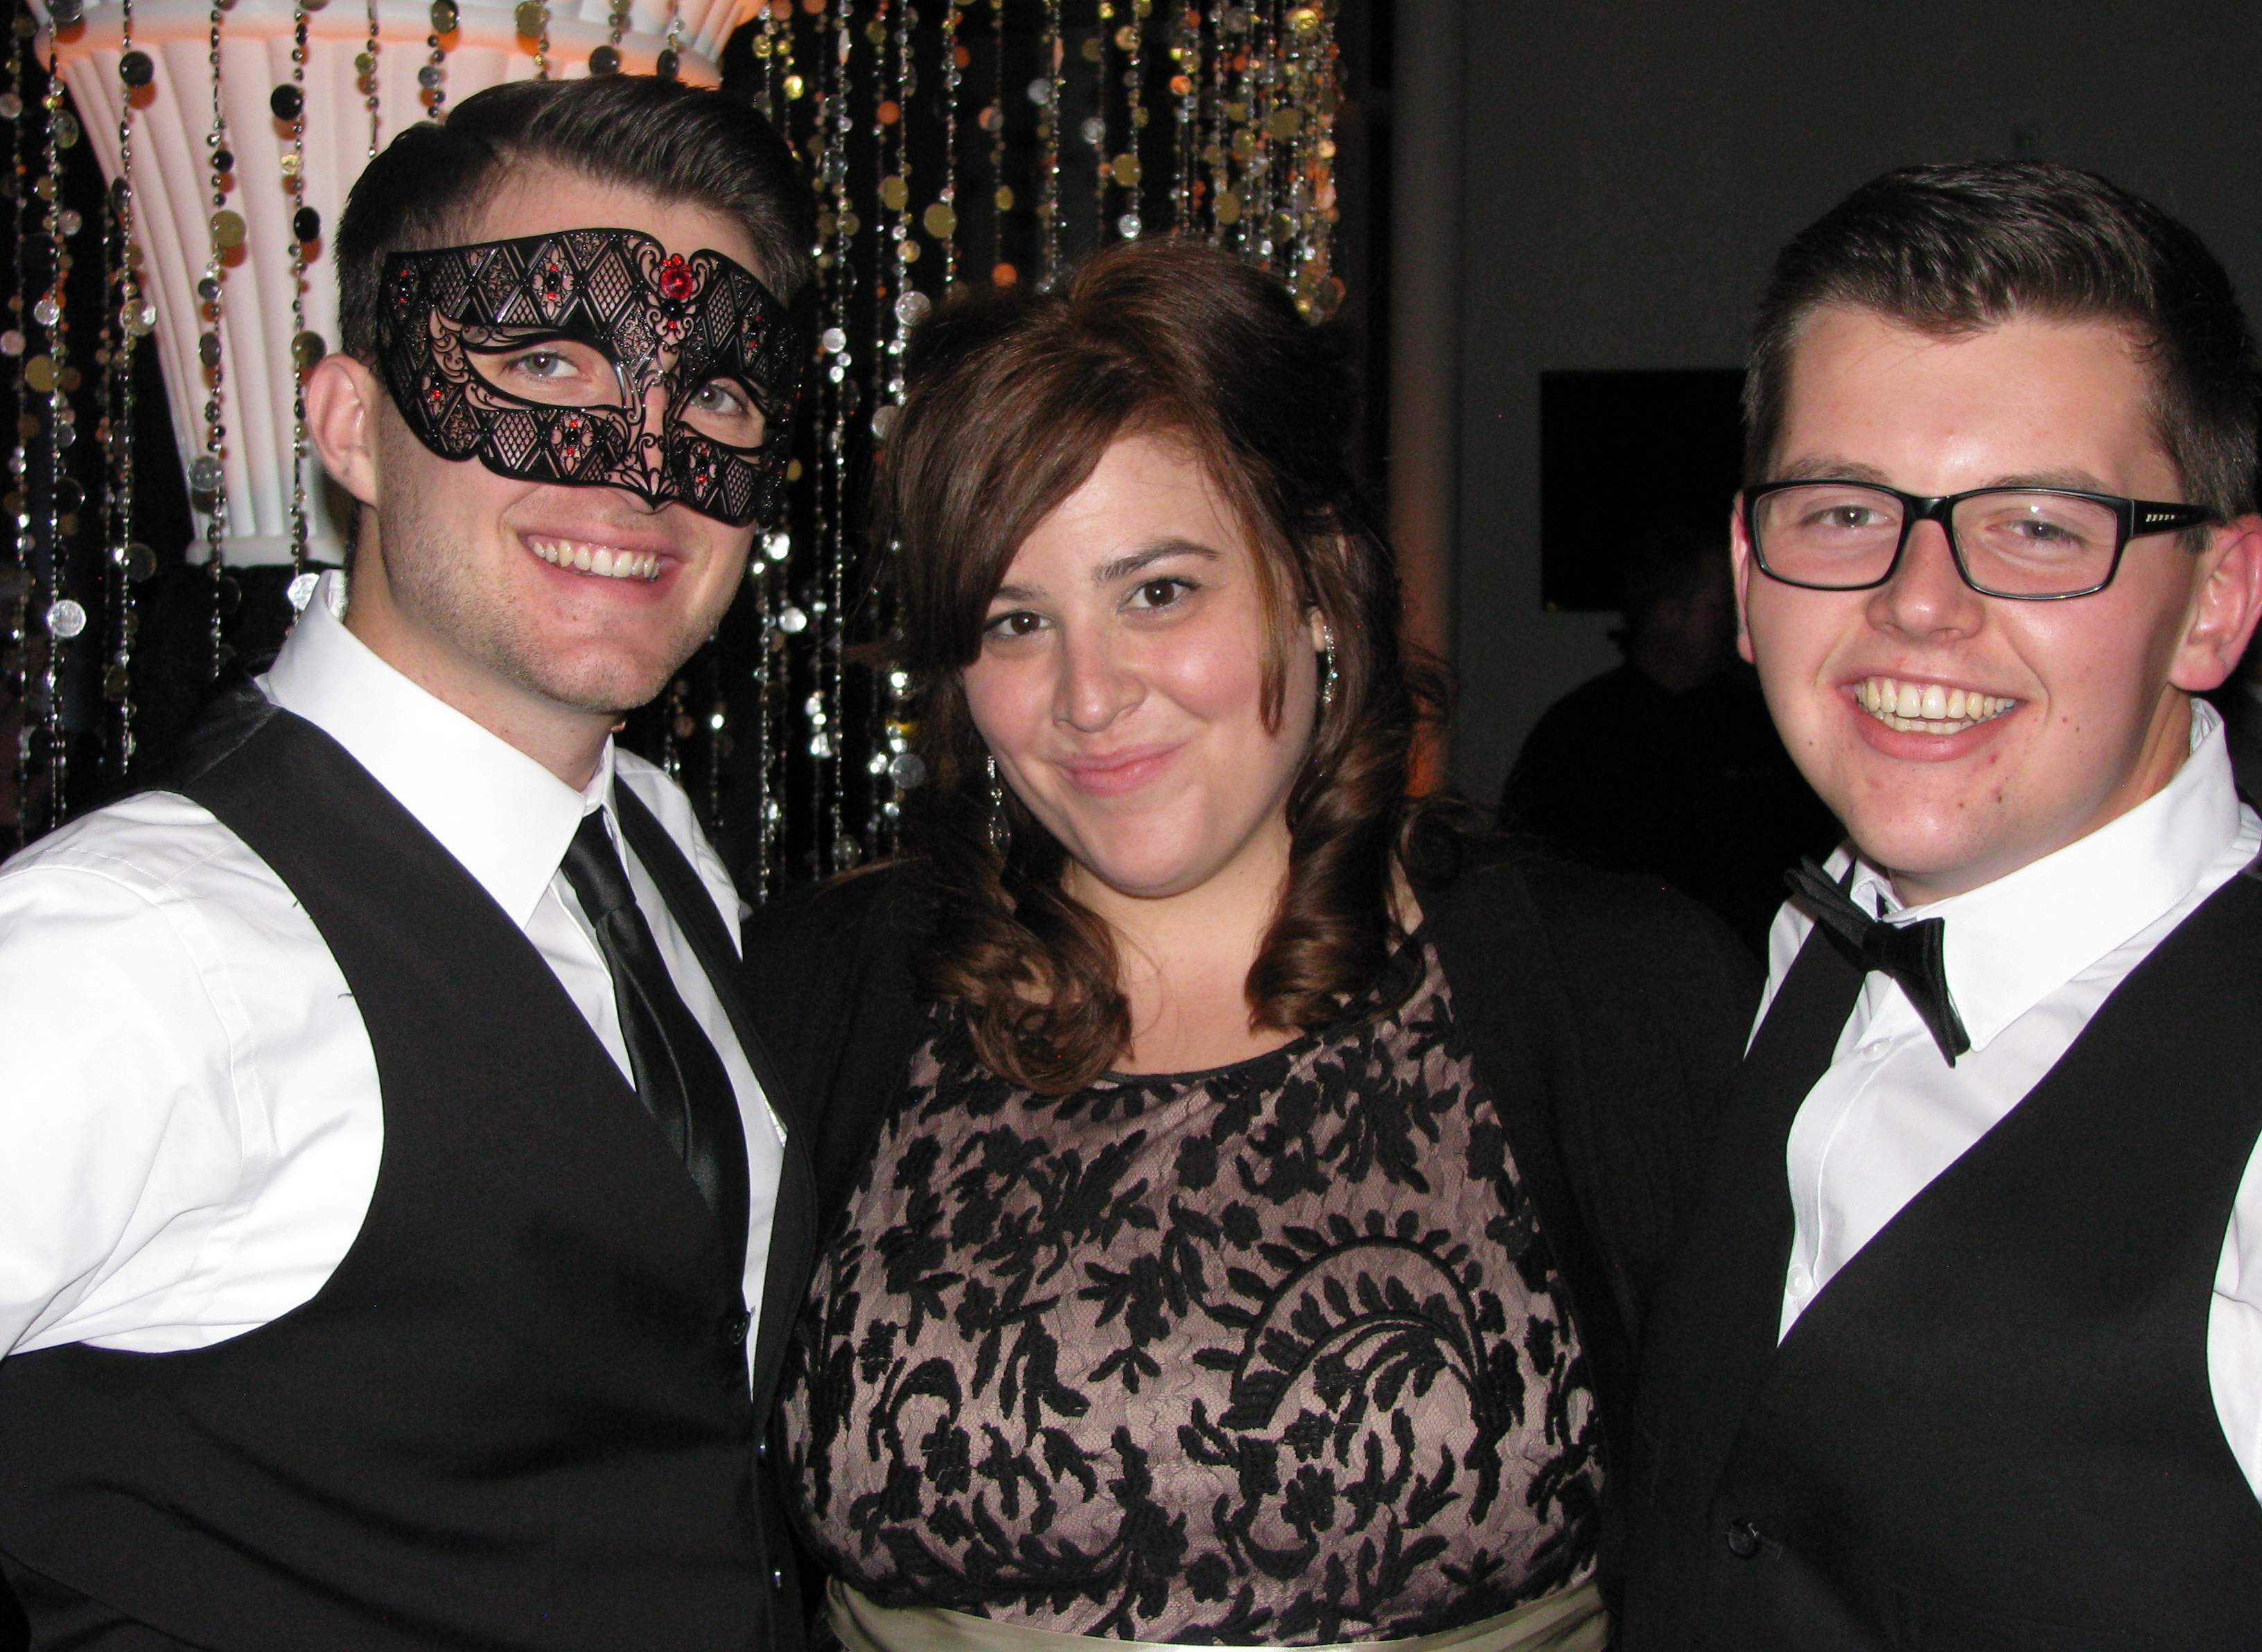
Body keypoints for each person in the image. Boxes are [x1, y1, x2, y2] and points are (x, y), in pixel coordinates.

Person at [746, 240, 1756, 1651]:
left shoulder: (1617, 996)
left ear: (1320, 589)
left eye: (1159, 592)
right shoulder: (826, 993)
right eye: (1017, 620)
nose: (1089, 697)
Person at [0, 77, 819, 1649]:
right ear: (353, 424)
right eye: (544, 360)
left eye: (713, 393)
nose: (640, 469)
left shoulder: (658, 846)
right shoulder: (133, 959)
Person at [1621, 161, 2262, 1649]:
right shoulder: (1792, 952)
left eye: (2039, 525)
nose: (1919, 600)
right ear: (1746, 565)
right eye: (1846, 510)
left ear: (2216, 603)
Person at [1501, 522, 1837, 949]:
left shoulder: (1766, 727)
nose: (1740, 622)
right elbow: (1535, 879)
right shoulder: (1579, 737)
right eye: (1719, 608)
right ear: (1668, 613)